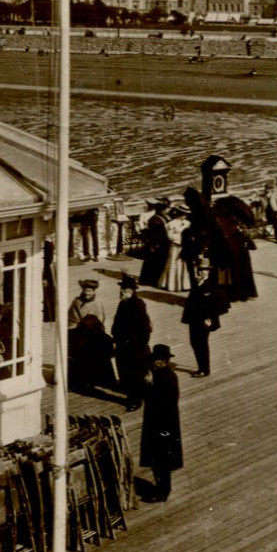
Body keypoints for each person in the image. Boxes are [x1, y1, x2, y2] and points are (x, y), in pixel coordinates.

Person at [140, 345, 183, 502]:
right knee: (157, 460)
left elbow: (164, 402)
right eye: (155, 360)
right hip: (157, 423)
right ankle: (160, 487)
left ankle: (163, 491)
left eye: (159, 360)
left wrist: (149, 386)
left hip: (164, 425)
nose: (156, 363)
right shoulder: (159, 375)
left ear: (165, 361)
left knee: (162, 460)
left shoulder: (168, 378)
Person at [110, 275, 152, 410]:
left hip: (134, 347)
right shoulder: (122, 303)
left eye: (126, 289)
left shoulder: (138, 305)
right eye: (122, 289)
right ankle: (132, 392)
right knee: (124, 371)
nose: (122, 291)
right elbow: (116, 323)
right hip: (122, 345)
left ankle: (135, 400)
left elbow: (145, 329)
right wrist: (115, 337)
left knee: (135, 374)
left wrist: (141, 347)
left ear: (133, 291)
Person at [180, 263, 223, 377]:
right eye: (200, 270)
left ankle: (204, 369)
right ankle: (201, 367)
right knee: (194, 343)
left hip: (203, 320)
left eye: (204, 270)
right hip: (194, 319)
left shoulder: (210, 285)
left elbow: (215, 304)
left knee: (201, 344)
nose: (202, 272)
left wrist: (209, 318)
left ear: (208, 272)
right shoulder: (197, 282)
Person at [138, 206, 169, 287]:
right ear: (161, 210)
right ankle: (152, 280)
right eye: (166, 208)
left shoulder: (161, 218)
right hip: (156, 244)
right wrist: (155, 244)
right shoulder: (156, 220)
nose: (168, 210)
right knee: (154, 263)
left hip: (159, 243)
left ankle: (151, 279)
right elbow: (155, 234)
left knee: (154, 263)